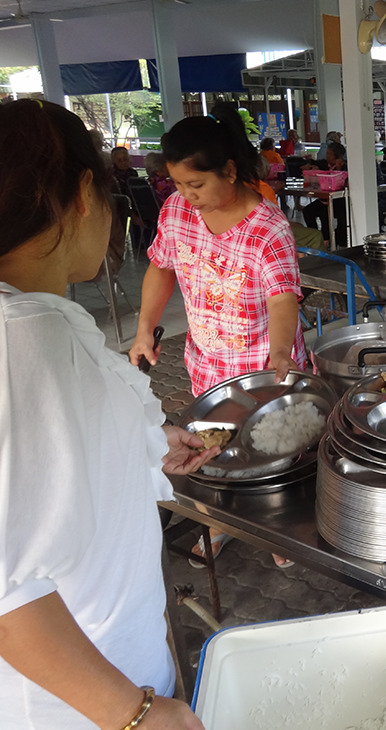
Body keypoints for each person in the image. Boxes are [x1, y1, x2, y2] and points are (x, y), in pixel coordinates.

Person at [0, 98, 218, 729]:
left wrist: (152, 443)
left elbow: (55, 464)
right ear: (81, 196)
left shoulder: (36, 321)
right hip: (80, 707)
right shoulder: (26, 341)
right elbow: (8, 586)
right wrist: (135, 713)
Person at [128, 102, 307, 569]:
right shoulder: (176, 212)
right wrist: (144, 327)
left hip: (266, 363)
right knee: (215, 448)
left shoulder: (268, 229)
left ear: (229, 170)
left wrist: (281, 351)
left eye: (197, 184)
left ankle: (277, 528)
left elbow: (283, 298)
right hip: (208, 362)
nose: (187, 195)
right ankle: (221, 523)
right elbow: (161, 266)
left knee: (274, 452)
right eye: (179, 185)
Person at [300, 142, 349, 248]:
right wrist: (309, 165)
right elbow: (313, 162)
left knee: (325, 213)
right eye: (327, 154)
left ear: (338, 156)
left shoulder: (344, 167)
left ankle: (326, 240)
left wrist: (339, 169)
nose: (327, 156)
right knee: (307, 211)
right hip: (324, 199)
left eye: (330, 154)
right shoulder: (324, 164)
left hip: (338, 201)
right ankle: (313, 236)